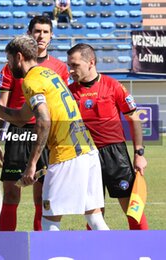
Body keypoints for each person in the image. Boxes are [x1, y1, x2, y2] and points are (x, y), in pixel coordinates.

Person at [0, 35, 109, 231]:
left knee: (49, 220)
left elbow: (43, 120)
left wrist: (32, 164)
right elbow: (21, 118)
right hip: (87, 151)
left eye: (8, 60)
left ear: (18, 57)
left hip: (66, 155)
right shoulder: (48, 75)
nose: (8, 65)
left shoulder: (31, 82)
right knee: (94, 217)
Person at [0, 16, 70, 231]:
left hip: (46, 135)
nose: (41, 36)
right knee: (10, 193)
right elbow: (1, 104)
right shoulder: (11, 67)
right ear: (29, 33)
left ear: (51, 35)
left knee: (43, 196)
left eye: (45, 32)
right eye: (37, 31)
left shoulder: (60, 68)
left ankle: (40, 246)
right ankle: (6, 246)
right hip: (18, 133)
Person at [67, 43, 148, 230]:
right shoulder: (68, 92)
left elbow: (134, 118)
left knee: (132, 209)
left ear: (91, 62)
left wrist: (139, 153)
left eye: (75, 65)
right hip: (85, 156)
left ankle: (145, 250)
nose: (71, 70)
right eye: (70, 65)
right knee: (94, 213)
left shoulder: (113, 86)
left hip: (114, 154)